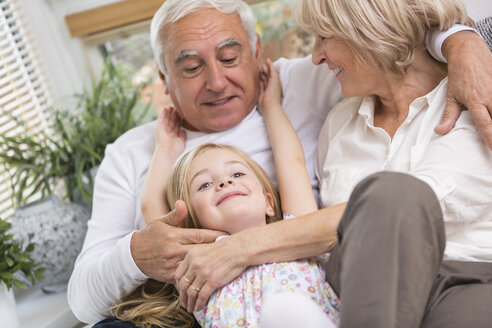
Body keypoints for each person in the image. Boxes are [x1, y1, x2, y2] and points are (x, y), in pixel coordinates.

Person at [67, 0, 492, 325]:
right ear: (163, 79)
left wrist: (463, 40)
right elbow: (83, 297)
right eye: (191, 68)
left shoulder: (305, 86)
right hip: (229, 304)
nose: (216, 81)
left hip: (351, 289)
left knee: (390, 196)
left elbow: (395, 39)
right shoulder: (134, 151)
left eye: (230, 59)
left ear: (256, 53)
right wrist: (136, 254)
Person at [264, 0, 492, 326]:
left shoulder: (477, 91)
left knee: (392, 196)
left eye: (324, 37)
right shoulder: (338, 125)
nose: (316, 57)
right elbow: (316, 226)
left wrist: (242, 248)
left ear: (370, 29)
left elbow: (427, 202)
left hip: (467, 277)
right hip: (361, 281)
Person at [110, 60, 339, 328]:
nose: (224, 182)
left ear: (267, 202)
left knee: (284, 311)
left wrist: (271, 106)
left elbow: (291, 160)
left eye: (237, 174)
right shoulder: (194, 265)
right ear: (191, 221)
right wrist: (166, 147)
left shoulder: (297, 230)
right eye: (204, 185)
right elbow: (151, 203)